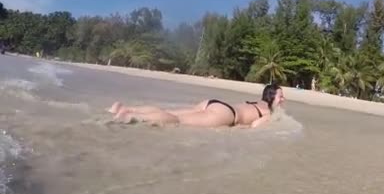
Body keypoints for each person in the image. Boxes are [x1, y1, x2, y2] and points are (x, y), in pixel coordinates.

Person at [107, 83, 285, 128]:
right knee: (177, 120)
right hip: (226, 115)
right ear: (272, 97)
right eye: (281, 97)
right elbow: (254, 126)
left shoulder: (254, 102)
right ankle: (133, 117)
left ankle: (125, 108)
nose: (283, 100)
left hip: (213, 103)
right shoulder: (266, 113)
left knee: (170, 112)